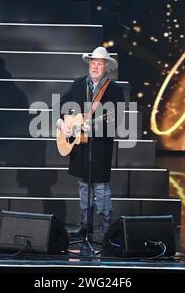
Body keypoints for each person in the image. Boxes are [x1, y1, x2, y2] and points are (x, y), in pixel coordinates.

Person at [57, 46, 124, 237]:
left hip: (100, 145)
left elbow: (116, 118)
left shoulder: (113, 89)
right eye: (93, 63)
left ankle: (106, 229)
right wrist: (62, 122)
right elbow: (63, 104)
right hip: (80, 145)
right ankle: (85, 225)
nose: (95, 67)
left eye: (99, 64)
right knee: (84, 184)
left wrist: (94, 127)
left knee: (101, 186)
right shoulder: (79, 84)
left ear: (106, 68)